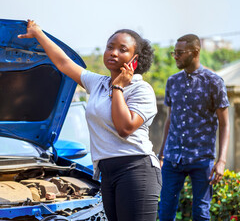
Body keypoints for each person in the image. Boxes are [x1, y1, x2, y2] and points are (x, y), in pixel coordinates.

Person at [18, 20, 161, 221]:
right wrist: (38, 33)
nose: (113, 53)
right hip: (107, 172)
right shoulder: (99, 83)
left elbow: (125, 127)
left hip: (136, 169)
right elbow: (63, 63)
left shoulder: (141, 89)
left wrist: (118, 88)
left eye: (122, 49)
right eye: (110, 47)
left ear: (134, 60)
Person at [158, 34, 230, 221]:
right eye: (174, 52)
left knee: (201, 212)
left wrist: (221, 161)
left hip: (202, 159)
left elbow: (224, 124)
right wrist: (161, 154)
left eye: (180, 53)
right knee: (165, 210)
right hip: (173, 158)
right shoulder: (172, 81)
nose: (175, 56)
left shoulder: (214, 82)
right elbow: (169, 119)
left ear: (196, 52)